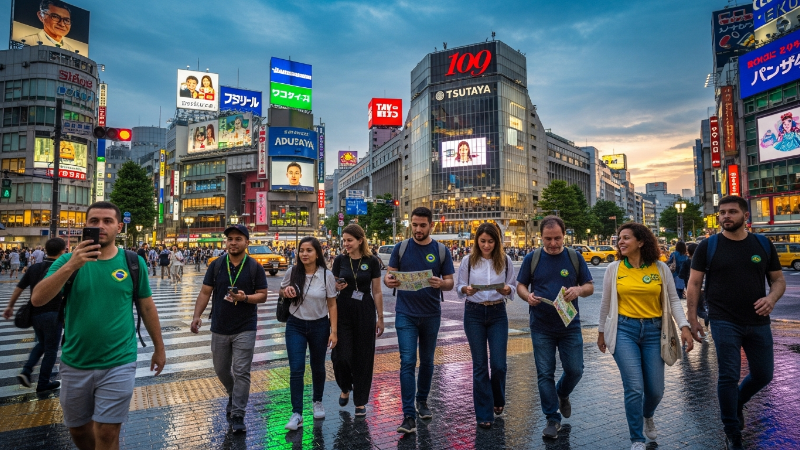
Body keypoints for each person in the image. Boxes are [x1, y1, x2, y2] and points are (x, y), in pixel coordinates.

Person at [30, 201, 166, 450]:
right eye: (94, 221)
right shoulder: (68, 262)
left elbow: (146, 306)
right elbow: (38, 299)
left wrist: (159, 347)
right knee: (79, 431)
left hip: (119, 361)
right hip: (75, 361)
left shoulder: (133, 263)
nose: (100, 226)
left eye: (107, 221)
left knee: (106, 433)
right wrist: (73, 264)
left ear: (118, 227)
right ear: (85, 226)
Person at [686, 196, 785, 450]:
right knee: (728, 376)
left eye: (731, 212)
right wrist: (692, 317)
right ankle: (732, 432)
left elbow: (778, 280)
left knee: (764, 374)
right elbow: (694, 284)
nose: (725, 216)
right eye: (722, 213)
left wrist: (771, 299)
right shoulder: (708, 246)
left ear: (745, 216)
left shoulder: (762, 244)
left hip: (758, 320)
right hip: (723, 320)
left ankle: (736, 402)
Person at [598, 223, 693, 450]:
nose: (620, 242)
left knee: (655, 391)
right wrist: (601, 332)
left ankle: (647, 414)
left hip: (654, 332)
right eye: (619, 238)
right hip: (624, 331)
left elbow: (672, 301)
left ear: (640, 242)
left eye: (626, 238)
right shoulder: (614, 269)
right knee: (634, 387)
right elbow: (605, 304)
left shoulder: (659, 268)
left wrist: (684, 326)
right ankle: (637, 439)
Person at [516, 216, 593, 438]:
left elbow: (589, 286)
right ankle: (552, 418)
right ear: (541, 237)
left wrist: (578, 291)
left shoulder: (574, 257)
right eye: (548, 239)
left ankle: (562, 392)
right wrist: (527, 296)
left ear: (564, 235)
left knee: (575, 370)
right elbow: (520, 285)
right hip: (541, 326)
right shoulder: (533, 258)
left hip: (569, 325)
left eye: (557, 238)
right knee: (544, 373)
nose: (553, 244)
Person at [190, 224, 268, 434]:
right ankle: (233, 393)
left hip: (246, 326)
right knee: (221, 369)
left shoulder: (254, 267)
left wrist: (245, 298)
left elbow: (263, 295)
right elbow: (206, 292)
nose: (233, 243)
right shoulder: (216, 265)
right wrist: (197, 316)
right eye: (230, 239)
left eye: (237, 239)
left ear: (246, 243)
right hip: (220, 326)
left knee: (242, 371)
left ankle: (238, 414)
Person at [384, 207, 455, 434]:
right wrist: (389, 281)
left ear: (431, 225)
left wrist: (440, 284)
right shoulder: (401, 248)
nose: (417, 229)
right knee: (407, 361)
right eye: (414, 225)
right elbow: (389, 275)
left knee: (427, 361)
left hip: (431, 314)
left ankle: (422, 400)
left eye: (422, 225)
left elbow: (450, 282)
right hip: (405, 313)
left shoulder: (441, 250)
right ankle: (408, 415)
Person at [455, 223, 516, 429]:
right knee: (480, 365)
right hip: (474, 312)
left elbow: (513, 285)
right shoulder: (468, 260)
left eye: (491, 241)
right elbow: (459, 286)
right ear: (476, 241)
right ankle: (483, 413)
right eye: (483, 241)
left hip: (498, 312)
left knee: (499, 364)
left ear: (497, 242)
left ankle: (498, 399)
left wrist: (508, 290)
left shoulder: (506, 260)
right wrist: (466, 289)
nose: (487, 245)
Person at [281, 237, 338, 430]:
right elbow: (282, 291)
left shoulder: (326, 275)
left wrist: (334, 331)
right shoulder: (292, 271)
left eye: (309, 250)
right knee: (296, 369)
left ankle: (317, 401)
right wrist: (286, 290)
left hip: (320, 325)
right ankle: (297, 413)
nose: (304, 254)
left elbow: (332, 303)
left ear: (317, 253)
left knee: (317, 366)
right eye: (301, 250)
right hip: (295, 325)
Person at [331, 224, 385, 417]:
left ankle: (360, 401)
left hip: (365, 310)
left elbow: (377, 291)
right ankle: (345, 387)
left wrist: (380, 318)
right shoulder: (339, 260)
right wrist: (336, 286)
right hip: (343, 309)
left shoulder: (371, 261)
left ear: (360, 240)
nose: (346, 244)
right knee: (340, 356)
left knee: (364, 357)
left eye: (349, 240)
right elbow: (332, 287)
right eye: (344, 240)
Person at [3, 238, 67, 392]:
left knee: (42, 344)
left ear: (46, 250)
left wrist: (10, 306)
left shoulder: (35, 268)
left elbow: (19, 287)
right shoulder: (64, 269)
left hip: (35, 313)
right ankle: (43, 382)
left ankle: (26, 370)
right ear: (62, 251)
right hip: (53, 314)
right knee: (51, 349)